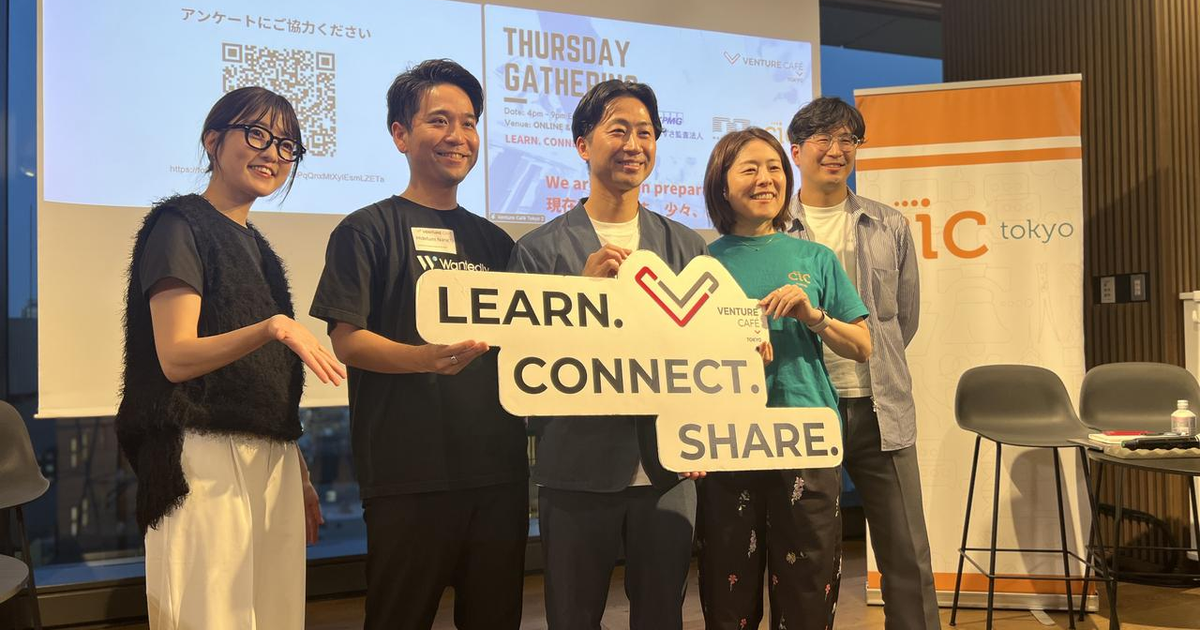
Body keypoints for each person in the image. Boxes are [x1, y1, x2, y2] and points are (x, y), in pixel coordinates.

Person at [309, 59, 528, 630]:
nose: (458, 136)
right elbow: (346, 340)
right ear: (400, 134)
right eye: (439, 120)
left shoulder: (497, 242)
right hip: (408, 475)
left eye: (469, 122)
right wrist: (422, 359)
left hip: (498, 474)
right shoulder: (366, 230)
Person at [116, 86, 346, 629]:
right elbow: (176, 357)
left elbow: (263, 384)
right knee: (210, 616)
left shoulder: (259, 248)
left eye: (287, 145)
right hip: (201, 453)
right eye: (258, 134)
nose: (273, 153)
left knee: (277, 614)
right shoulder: (179, 225)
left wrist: (299, 470)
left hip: (270, 458)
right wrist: (271, 327)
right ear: (212, 141)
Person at [507, 79, 708, 629]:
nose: (634, 144)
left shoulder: (686, 246)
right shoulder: (538, 251)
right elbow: (522, 364)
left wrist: (708, 429)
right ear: (582, 144)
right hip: (576, 468)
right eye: (618, 130)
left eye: (645, 132)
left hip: (671, 469)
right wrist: (581, 297)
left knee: (662, 615)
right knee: (572, 615)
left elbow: (703, 353)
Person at [698, 127, 872, 630]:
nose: (766, 179)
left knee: (807, 594)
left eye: (774, 168)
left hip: (806, 438)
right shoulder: (702, 262)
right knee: (728, 594)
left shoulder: (814, 258)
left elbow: (862, 347)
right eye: (749, 169)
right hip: (729, 442)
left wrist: (812, 316)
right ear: (722, 183)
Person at [786, 97, 938, 629]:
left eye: (847, 139)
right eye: (823, 139)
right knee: (805, 550)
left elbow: (901, 321)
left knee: (906, 550)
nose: (836, 150)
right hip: (807, 406)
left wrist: (876, 359)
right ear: (796, 151)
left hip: (881, 406)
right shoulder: (775, 230)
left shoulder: (888, 224)